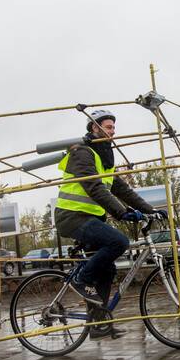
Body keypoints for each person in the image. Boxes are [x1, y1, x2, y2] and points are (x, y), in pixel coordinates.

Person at [54, 109, 165, 338]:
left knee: (107, 269)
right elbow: (94, 187)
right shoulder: (82, 153)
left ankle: (98, 323)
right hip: (71, 217)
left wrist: (149, 210)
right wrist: (122, 212)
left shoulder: (104, 159)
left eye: (113, 127)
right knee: (119, 241)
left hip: (90, 218)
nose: (112, 131)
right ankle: (81, 280)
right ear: (94, 128)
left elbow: (122, 189)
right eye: (107, 127)